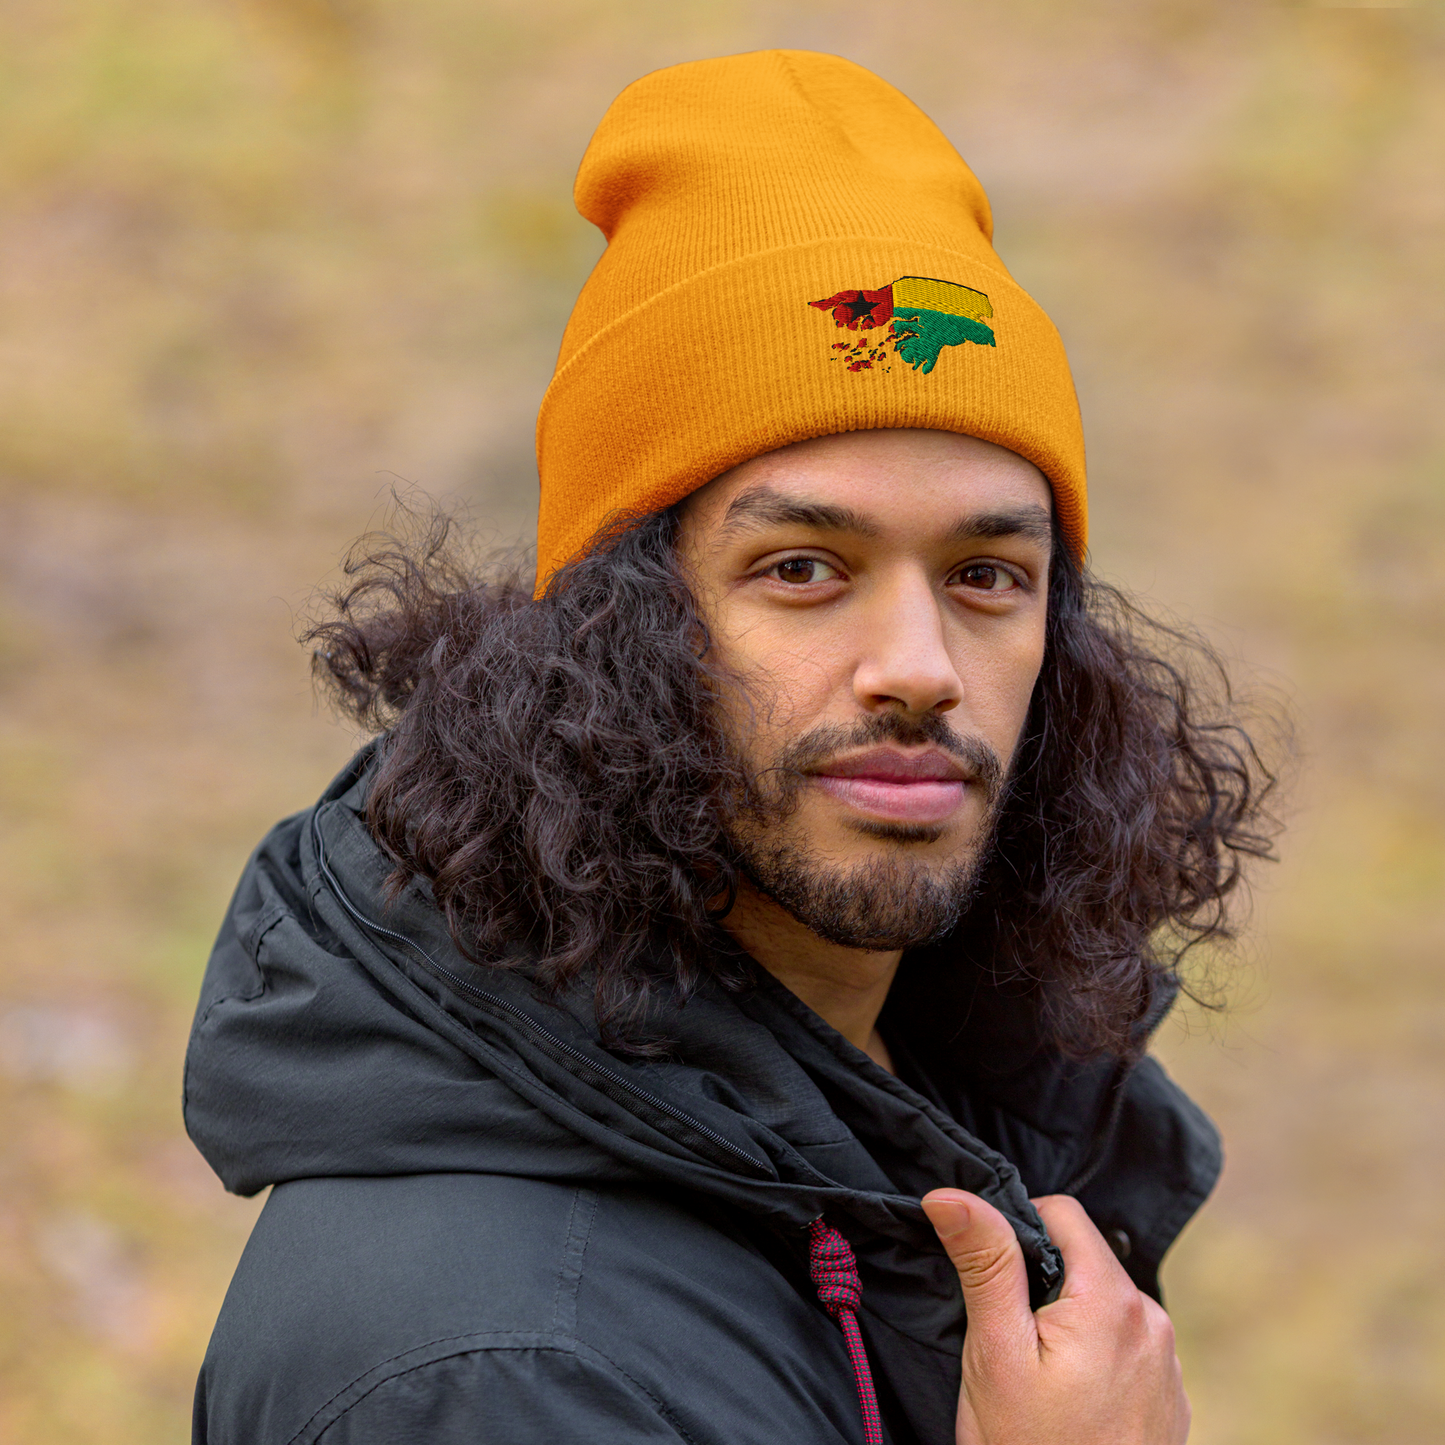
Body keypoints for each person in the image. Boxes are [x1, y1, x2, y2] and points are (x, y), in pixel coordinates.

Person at [186, 50, 1277, 1445]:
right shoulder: (499, 1371)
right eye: (805, 569)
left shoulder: (921, 1106)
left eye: (987, 576)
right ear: (615, 634)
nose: (920, 670)